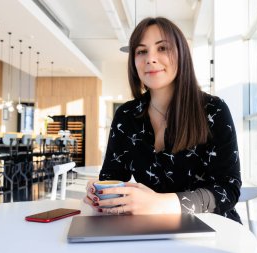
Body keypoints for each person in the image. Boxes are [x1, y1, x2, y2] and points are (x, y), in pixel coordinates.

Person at [84, 17, 242, 223]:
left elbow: (228, 190)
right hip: (151, 228)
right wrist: (99, 191)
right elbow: (112, 178)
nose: (150, 58)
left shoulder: (213, 110)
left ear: (181, 54)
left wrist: (160, 203)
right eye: (141, 51)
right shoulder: (126, 115)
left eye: (162, 48)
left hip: (213, 227)